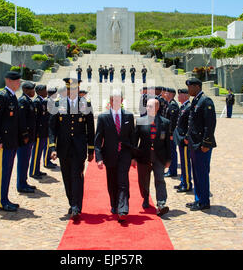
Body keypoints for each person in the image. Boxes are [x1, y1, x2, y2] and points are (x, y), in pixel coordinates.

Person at [49, 78, 95, 220]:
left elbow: (90, 128)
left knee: (76, 176)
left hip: (79, 148)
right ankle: (72, 202)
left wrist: (91, 149)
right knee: (67, 177)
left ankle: (76, 206)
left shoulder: (85, 104)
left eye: (75, 90)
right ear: (66, 91)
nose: (72, 92)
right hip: (63, 148)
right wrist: (53, 148)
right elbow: (52, 128)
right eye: (69, 90)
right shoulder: (58, 104)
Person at [95, 90, 135, 223]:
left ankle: (123, 209)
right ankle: (114, 204)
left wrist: (134, 156)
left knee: (123, 181)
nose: (116, 102)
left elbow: (132, 138)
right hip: (109, 155)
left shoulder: (129, 116)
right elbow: (98, 139)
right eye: (114, 100)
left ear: (122, 101)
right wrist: (99, 157)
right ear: (110, 101)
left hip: (125, 154)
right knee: (112, 182)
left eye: (119, 100)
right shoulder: (103, 117)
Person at [0, 71, 26, 212]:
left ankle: (4, 198)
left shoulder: (11, 97)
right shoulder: (1, 97)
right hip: (2, 143)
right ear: (8, 81)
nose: (19, 84)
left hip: (10, 143)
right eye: (17, 81)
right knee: (0, 173)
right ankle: (0, 201)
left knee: (7, 172)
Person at [133, 99, 171, 217]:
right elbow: (135, 141)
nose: (148, 108)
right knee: (143, 180)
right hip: (143, 156)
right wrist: (133, 157)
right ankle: (145, 198)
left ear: (157, 107)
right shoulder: (140, 121)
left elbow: (168, 143)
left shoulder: (165, 122)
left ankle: (161, 204)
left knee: (160, 179)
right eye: (147, 106)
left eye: (151, 106)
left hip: (159, 157)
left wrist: (169, 159)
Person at [185, 78, 217, 211]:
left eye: (190, 87)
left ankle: (204, 201)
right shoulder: (196, 101)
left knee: (202, 173)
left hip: (202, 145)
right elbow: (192, 122)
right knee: (196, 173)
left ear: (197, 86)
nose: (188, 90)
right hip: (194, 143)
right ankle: (198, 199)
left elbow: (210, 125)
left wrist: (206, 143)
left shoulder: (206, 101)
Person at [16, 81, 38, 194]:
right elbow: (22, 121)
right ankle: (21, 184)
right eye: (31, 90)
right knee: (23, 161)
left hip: (30, 137)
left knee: (26, 161)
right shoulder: (22, 101)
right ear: (25, 90)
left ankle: (24, 182)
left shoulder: (29, 101)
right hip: (25, 138)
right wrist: (24, 135)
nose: (33, 92)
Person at [173, 89, 193, 193]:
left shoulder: (189, 107)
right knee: (183, 161)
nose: (178, 96)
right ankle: (183, 181)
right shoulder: (183, 106)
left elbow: (190, 125)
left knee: (185, 163)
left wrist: (186, 137)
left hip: (184, 140)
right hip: (180, 139)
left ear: (186, 96)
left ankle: (187, 184)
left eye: (180, 95)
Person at [30, 85, 49, 179]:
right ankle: (33, 171)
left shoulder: (42, 101)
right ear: (40, 91)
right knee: (36, 153)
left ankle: (37, 169)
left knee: (39, 152)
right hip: (39, 133)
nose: (46, 92)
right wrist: (36, 132)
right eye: (45, 90)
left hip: (43, 132)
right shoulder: (37, 102)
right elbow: (36, 119)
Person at [163, 88, 180, 178]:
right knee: (170, 152)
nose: (165, 94)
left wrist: (170, 134)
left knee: (172, 152)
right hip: (168, 133)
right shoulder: (169, 104)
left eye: (166, 93)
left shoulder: (173, 105)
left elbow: (172, 122)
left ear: (170, 94)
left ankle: (172, 171)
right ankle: (171, 169)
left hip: (171, 134)